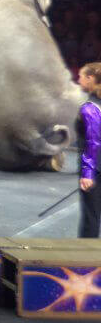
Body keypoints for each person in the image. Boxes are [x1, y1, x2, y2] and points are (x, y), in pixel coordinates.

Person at [76, 62, 101, 238]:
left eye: (81, 76)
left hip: (96, 169)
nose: (78, 81)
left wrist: (88, 173)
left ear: (90, 78)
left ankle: (84, 263)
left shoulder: (90, 108)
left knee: (90, 218)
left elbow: (93, 141)